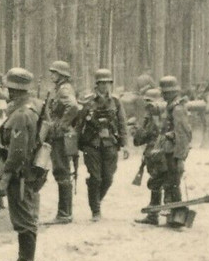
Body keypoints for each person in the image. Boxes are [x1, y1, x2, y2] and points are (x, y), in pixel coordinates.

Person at [0, 67, 43, 261]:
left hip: (20, 174)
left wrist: (5, 178)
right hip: (27, 172)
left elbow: (16, 152)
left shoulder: (21, 115)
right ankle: (23, 259)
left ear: (14, 91)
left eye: (8, 89)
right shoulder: (31, 108)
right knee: (25, 214)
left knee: (24, 217)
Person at [76, 67, 129, 221]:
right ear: (97, 84)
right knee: (95, 178)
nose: (105, 86)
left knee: (108, 178)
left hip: (110, 143)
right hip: (91, 144)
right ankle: (96, 210)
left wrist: (125, 145)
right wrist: (75, 145)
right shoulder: (88, 101)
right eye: (102, 83)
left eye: (107, 83)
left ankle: (96, 200)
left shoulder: (116, 102)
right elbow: (79, 124)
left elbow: (122, 123)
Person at [45, 59, 79, 224]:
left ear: (62, 75)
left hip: (60, 136)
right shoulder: (60, 88)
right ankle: (65, 213)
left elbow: (73, 106)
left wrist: (62, 125)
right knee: (62, 171)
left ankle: (64, 214)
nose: (52, 75)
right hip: (58, 134)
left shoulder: (64, 89)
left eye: (55, 73)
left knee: (62, 171)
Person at [133, 88, 169, 225]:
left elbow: (141, 138)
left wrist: (138, 130)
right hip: (161, 152)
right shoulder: (163, 114)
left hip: (155, 154)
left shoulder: (154, 117)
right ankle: (156, 214)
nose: (147, 107)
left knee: (156, 182)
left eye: (148, 103)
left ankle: (154, 215)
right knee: (160, 182)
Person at [157, 75, 192, 211]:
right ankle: (175, 212)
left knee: (173, 183)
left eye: (165, 93)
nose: (163, 96)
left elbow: (182, 135)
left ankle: (179, 212)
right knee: (171, 183)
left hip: (174, 152)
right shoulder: (171, 107)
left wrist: (180, 158)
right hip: (169, 150)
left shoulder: (177, 109)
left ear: (172, 92)